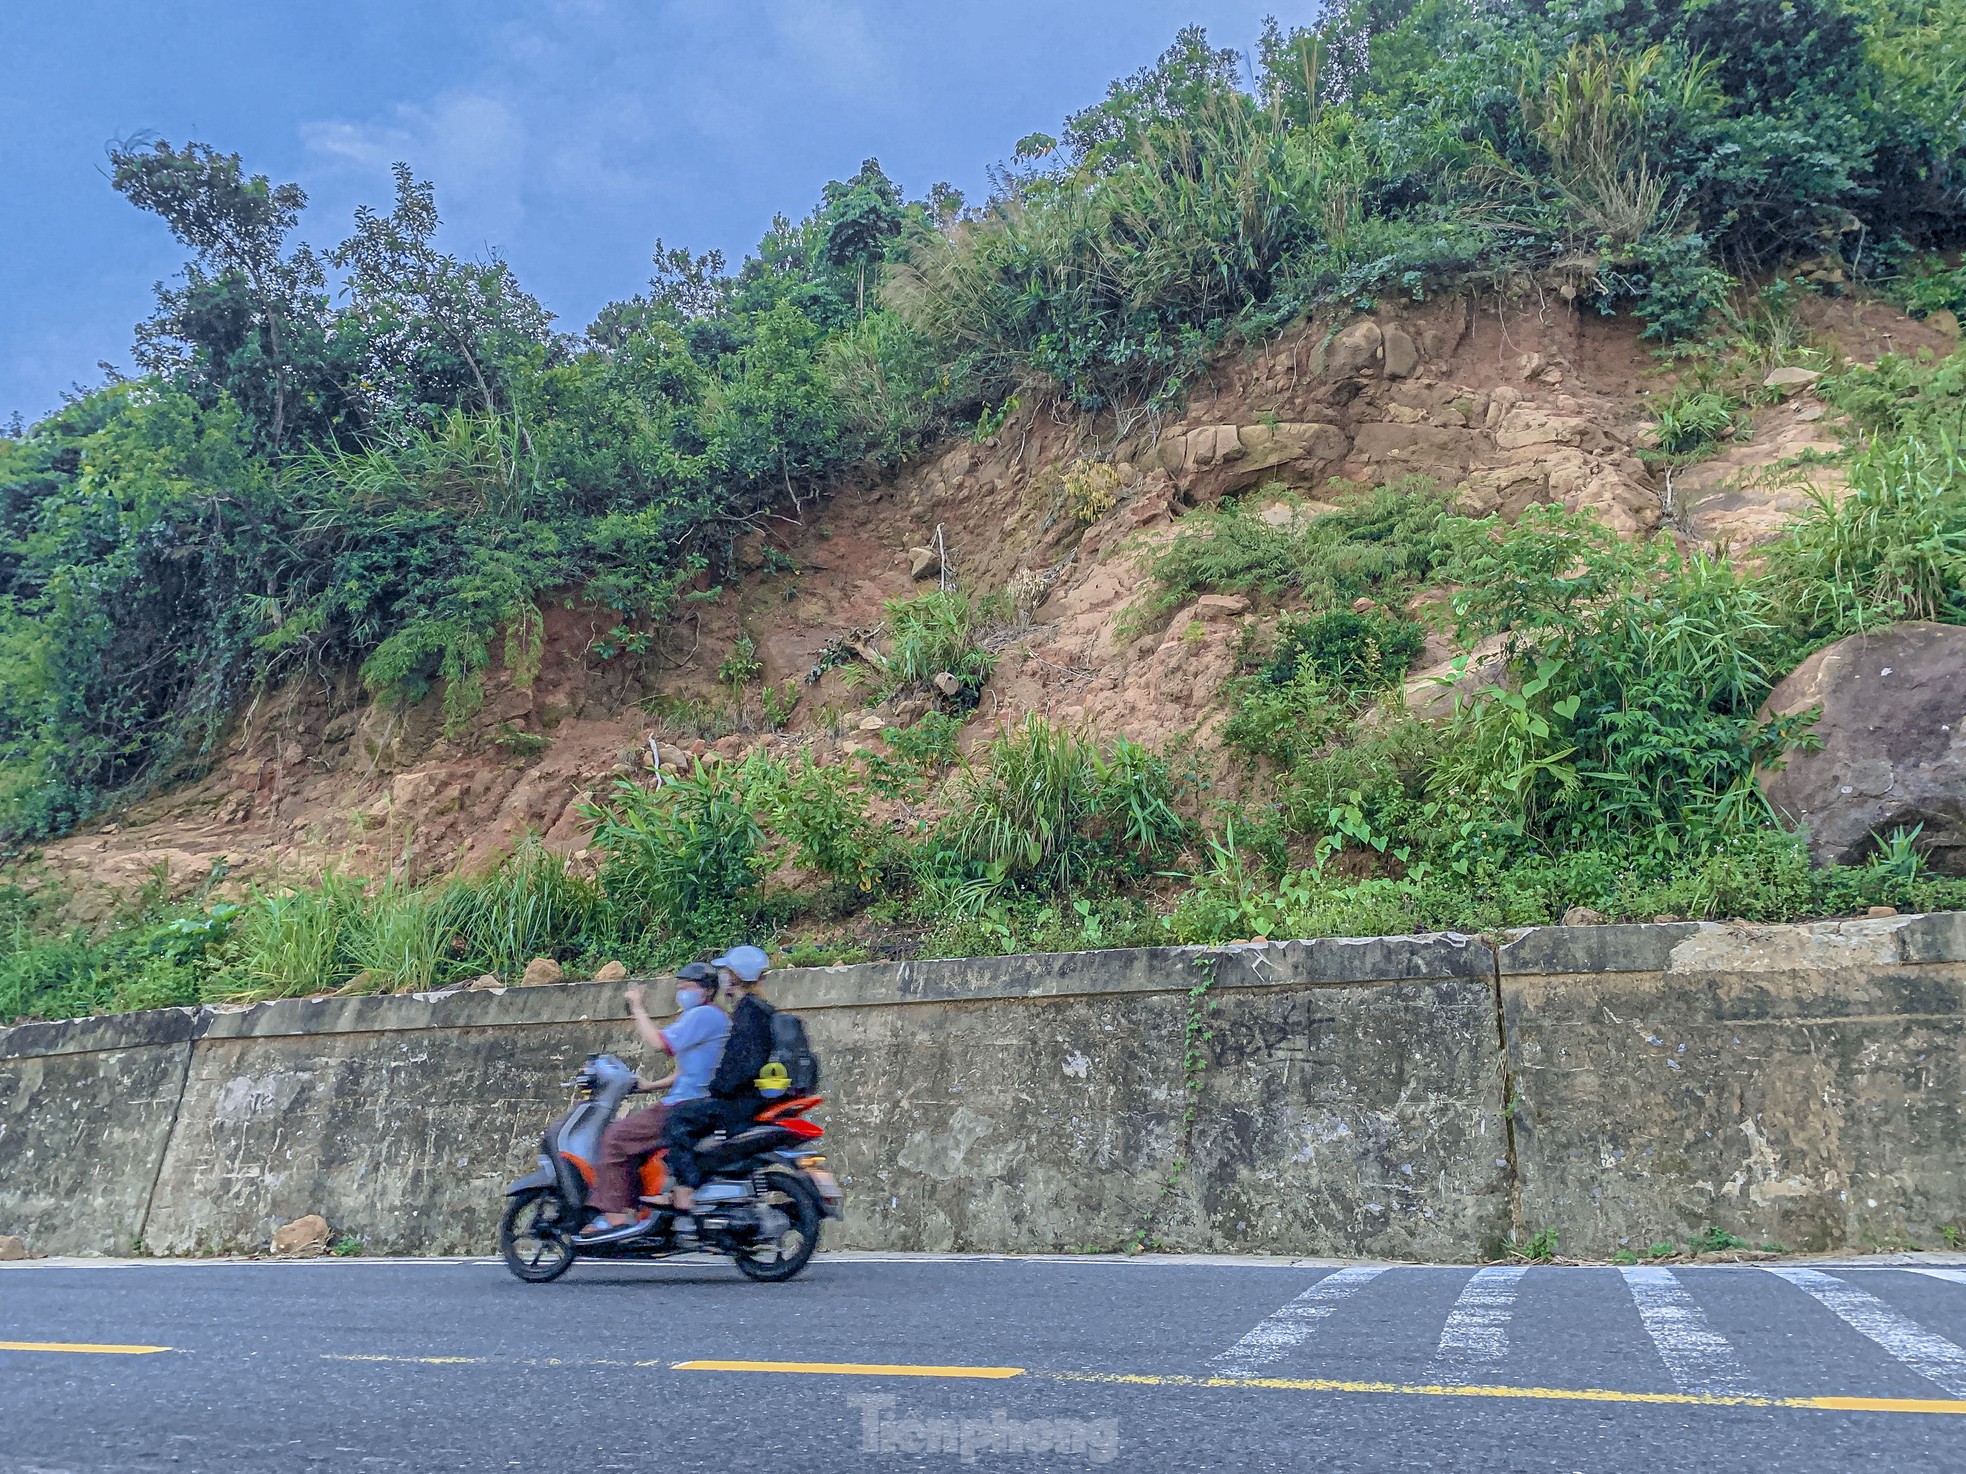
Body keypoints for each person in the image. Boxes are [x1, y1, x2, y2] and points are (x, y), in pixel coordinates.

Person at [578, 962, 729, 1242]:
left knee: (615, 1138)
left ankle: (617, 1216)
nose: (682, 991)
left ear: (706, 991)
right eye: (680, 986)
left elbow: (661, 1044)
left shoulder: (703, 1016)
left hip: (685, 1105)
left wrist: (637, 1007)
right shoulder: (712, 1018)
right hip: (694, 1098)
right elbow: (689, 1070)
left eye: (688, 986)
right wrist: (649, 1086)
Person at [662, 944, 774, 1218]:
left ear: (734, 977)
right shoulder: (763, 1009)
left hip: (740, 1102)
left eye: (725, 971)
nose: (722, 976)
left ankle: (685, 1190)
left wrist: (718, 1089)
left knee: (677, 1121)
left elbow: (741, 1064)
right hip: (753, 1099)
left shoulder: (748, 1012)